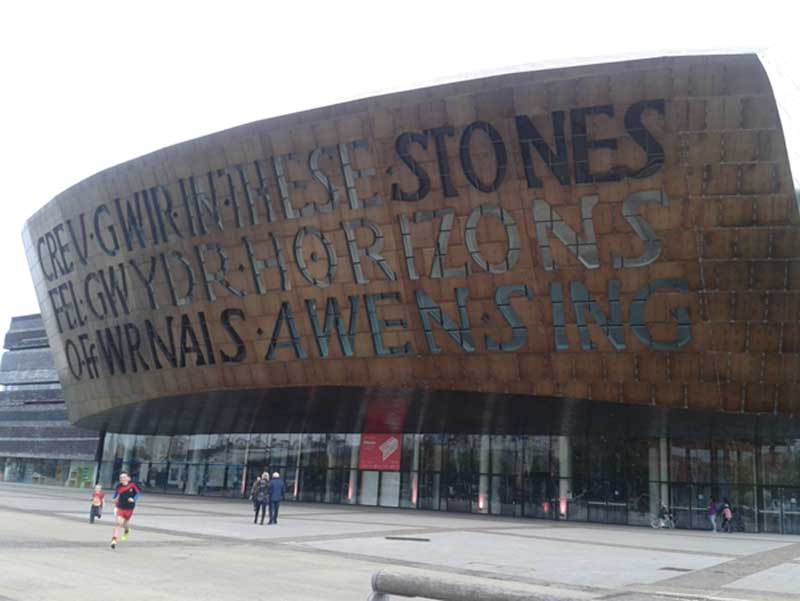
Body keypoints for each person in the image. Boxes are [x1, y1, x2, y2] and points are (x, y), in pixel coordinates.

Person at [110, 472, 140, 549]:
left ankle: (126, 531)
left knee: (125, 524)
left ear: (128, 478)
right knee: (118, 523)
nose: (122, 479)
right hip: (120, 507)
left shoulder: (132, 485)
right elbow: (117, 493)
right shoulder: (118, 486)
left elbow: (138, 494)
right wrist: (114, 498)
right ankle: (114, 541)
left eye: (123, 477)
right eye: (120, 478)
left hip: (129, 508)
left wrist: (133, 499)